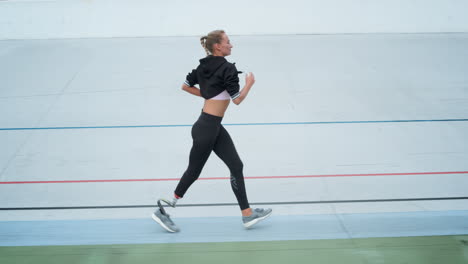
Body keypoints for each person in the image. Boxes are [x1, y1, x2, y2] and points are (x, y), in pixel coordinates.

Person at [152, 30, 272, 233]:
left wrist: (209, 95)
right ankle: (163, 209)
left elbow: (186, 86)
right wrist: (249, 84)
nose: (231, 45)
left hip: (212, 126)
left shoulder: (204, 66)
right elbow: (237, 100)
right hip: (206, 128)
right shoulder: (227, 69)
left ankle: (247, 214)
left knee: (236, 165)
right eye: (228, 42)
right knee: (193, 171)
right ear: (218, 46)